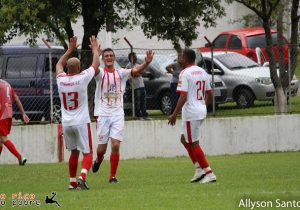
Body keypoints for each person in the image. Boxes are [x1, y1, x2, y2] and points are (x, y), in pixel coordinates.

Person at [92, 48, 154, 183]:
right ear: (103, 59)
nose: (109, 57)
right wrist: (95, 52)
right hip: (102, 115)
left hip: (118, 115)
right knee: (102, 149)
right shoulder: (100, 73)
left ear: (114, 58)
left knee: (115, 145)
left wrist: (146, 63)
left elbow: (136, 71)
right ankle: (98, 159)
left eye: (111, 56)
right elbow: (94, 67)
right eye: (106, 56)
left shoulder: (121, 73)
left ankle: (112, 177)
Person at [56, 35, 100, 190]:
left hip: (66, 123)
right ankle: (82, 177)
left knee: (74, 152)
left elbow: (59, 64)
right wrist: (95, 49)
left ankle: (72, 182)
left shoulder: (60, 79)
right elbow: (96, 64)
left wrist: (69, 50)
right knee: (88, 153)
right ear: (80, 68)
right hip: (81, 121)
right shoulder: (82, 78)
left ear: (67, 69)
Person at [168, 48, 217, 184]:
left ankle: (209, 173)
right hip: (200, 111)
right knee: (184, 139)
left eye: (181, 56)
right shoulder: (202, 72)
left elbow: (183, 96)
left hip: (191, 113)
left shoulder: (185, 73)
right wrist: (202, 107)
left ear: (186, 58)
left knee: (193, 143)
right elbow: (210, 94)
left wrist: (174, 114)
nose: (179, 59)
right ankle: (198, 168)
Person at [0, 79, 30, 165]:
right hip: (8, 113)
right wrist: (23, 114)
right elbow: (16, 99)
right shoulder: (7, 84)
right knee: (1, 140)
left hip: (1, 114)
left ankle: (20, 157)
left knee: (3, 138)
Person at [125, 52, 150, 120]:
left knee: (143, 100)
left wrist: (138, 73)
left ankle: (144, 113)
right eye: (133, 57)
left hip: (141, 85)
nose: (135, 58)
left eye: (135, 56)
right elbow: (133, 74)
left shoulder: (137, 65)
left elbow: (143, 71)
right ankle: (138, 114)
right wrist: (138, 73)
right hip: (135, 87)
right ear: (130, 58)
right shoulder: (129, 66)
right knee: (137, 101)